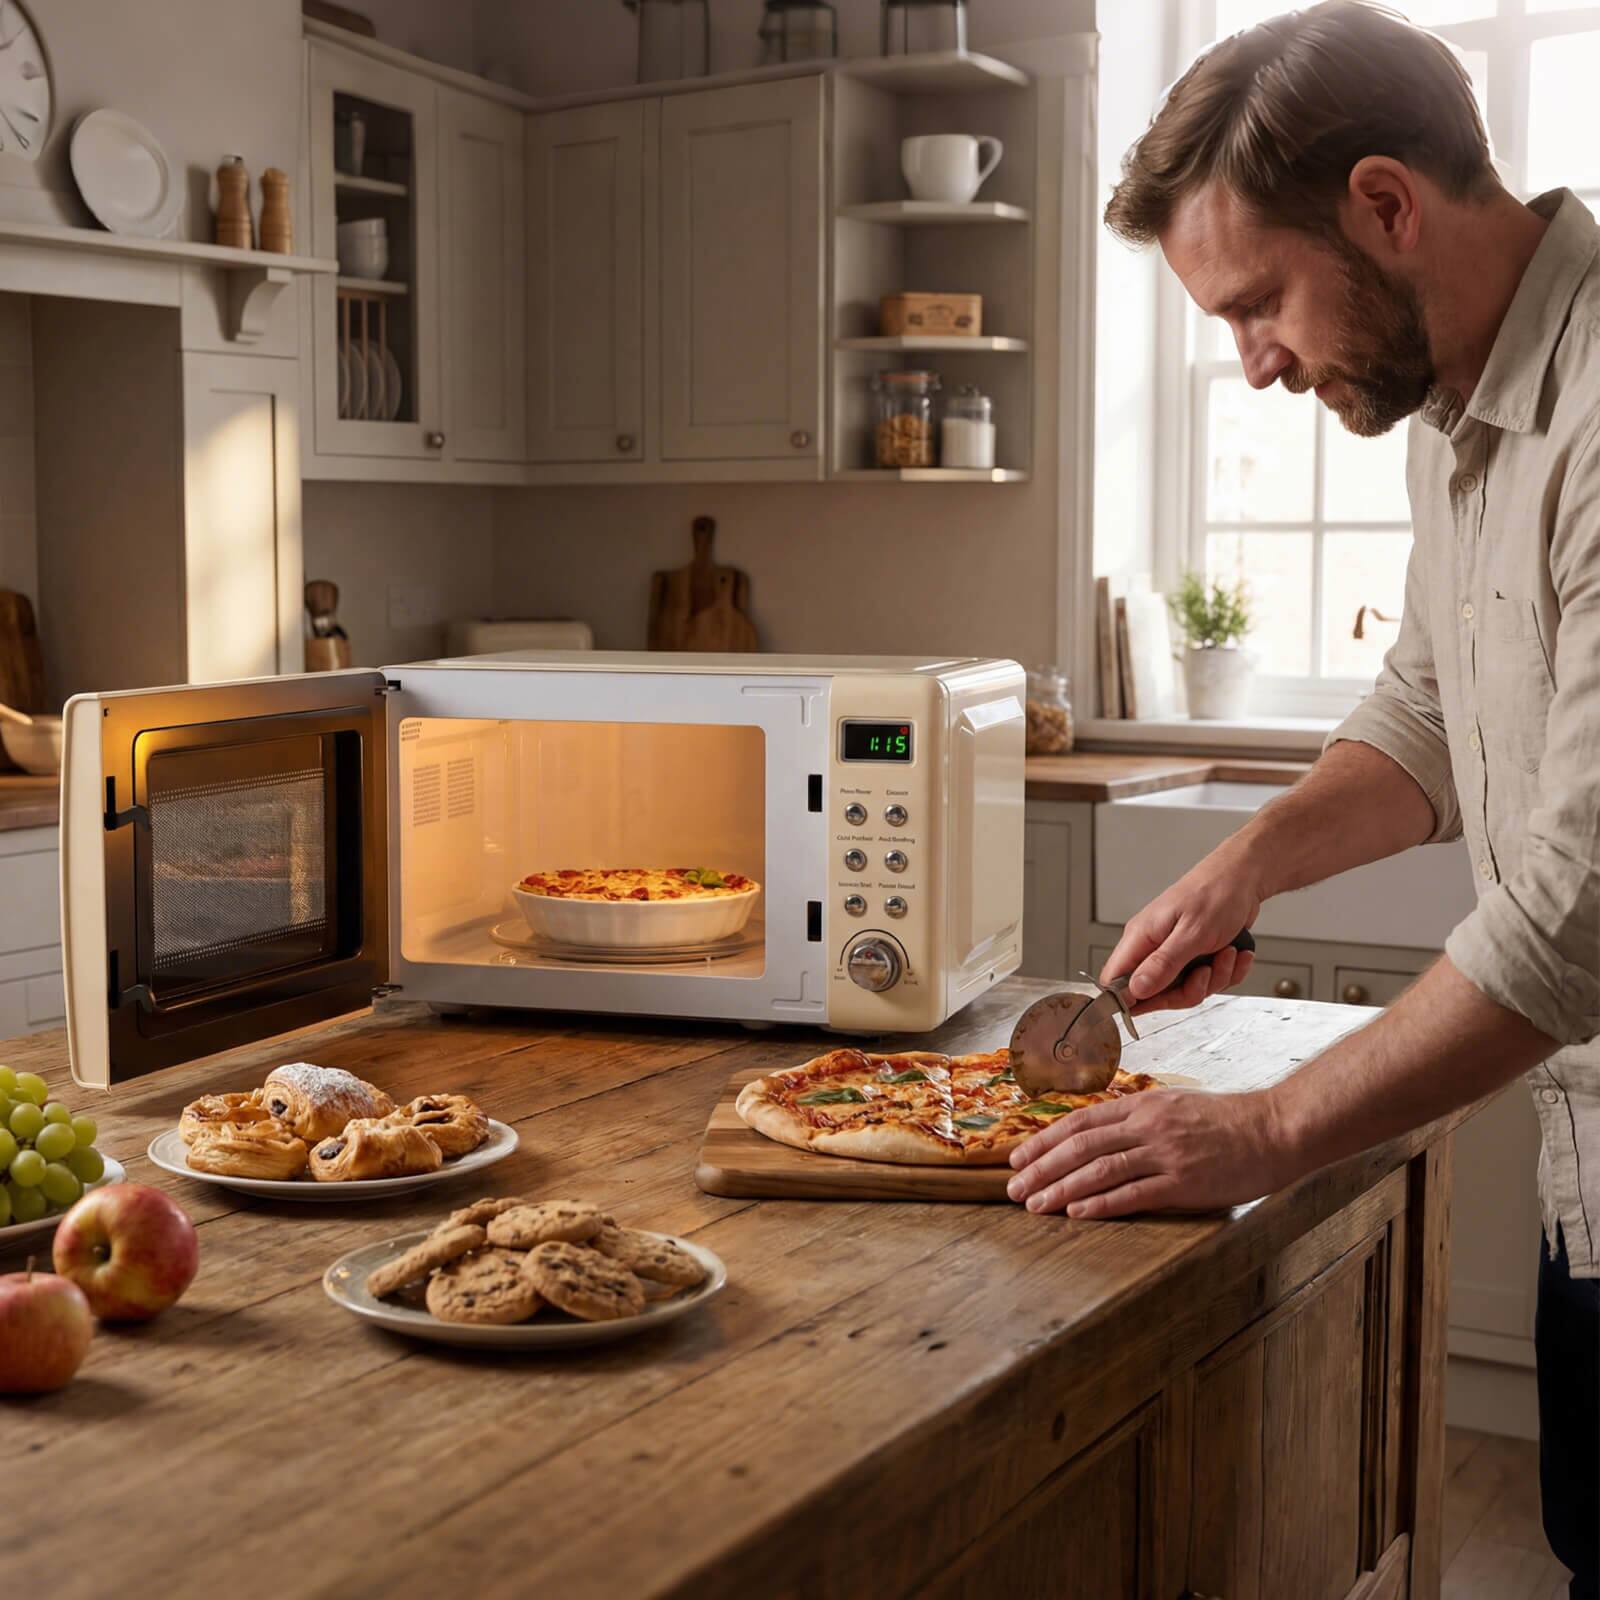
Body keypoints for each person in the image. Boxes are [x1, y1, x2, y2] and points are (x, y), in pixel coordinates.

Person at [1004, 2, 1599, 1591]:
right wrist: (1247, 866)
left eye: (1259, 302)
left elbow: (1582, 905)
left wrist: (1263, 1129)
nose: (1254, 362)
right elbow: (1426, 709)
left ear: (1387, 206)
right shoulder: (1459, 412)